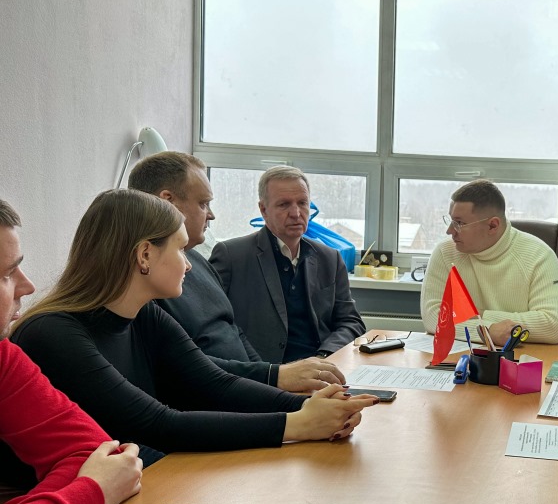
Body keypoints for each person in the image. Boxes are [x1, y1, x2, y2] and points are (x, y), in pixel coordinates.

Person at [12, 190, 377, 467]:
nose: (188, 265)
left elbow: (215, 384)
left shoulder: (145, 315)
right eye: (180, 250)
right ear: (144, 255)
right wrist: (298, 424)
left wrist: (315, 406)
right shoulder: (54, 333)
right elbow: (158, 425)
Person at [0, 198, 142, 504]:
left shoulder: (2, 357)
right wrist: (86, 495)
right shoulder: (52, 331)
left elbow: (97, 453)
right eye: (6, 274)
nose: (27, 286)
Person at [128, 152, 343, 393]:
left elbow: (234, 331)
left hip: (249, 389)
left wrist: (272, 386)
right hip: (216, 399)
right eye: (203, 203)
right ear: (168, 202)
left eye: (303, 203)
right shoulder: (143, 283)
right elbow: (184, 366)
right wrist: (275, 380)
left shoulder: (197, 261)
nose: (211, 214)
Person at [209, 166, 366, 363]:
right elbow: (215, 323)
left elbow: (351, 322)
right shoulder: (232, 256)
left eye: (302, 203)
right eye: (284, 204)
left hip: (320, 367)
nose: (296, 213)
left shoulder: (330, 258)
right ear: (263, 210)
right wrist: (264, 371)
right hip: (263, 372)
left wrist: (324, 357)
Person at [420, 179, 558, 346]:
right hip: (462, 354)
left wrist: (481, 316)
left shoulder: (539, 255)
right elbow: (433, 317)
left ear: (492, 226)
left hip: (523, 355)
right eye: (451, 221)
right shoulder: (444, 253)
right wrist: (488, 331)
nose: (450, 231)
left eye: (459, 223)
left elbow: (552, 325)